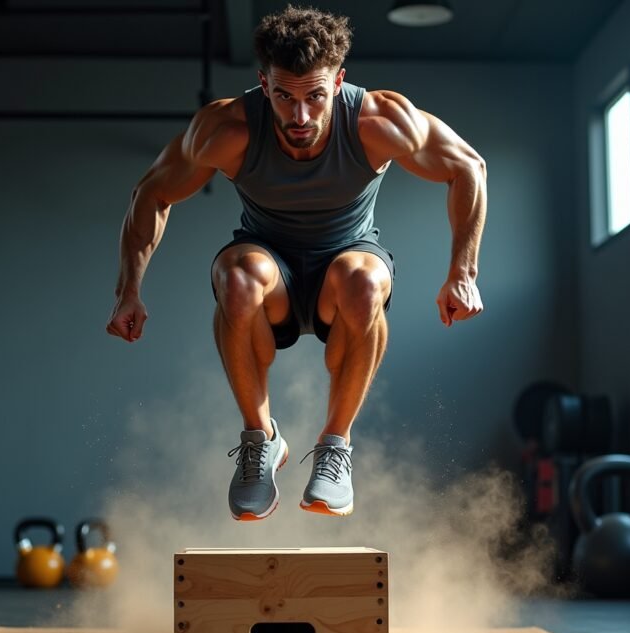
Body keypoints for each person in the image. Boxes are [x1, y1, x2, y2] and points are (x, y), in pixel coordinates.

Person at [106, 5, 486, 521]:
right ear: (264, 84)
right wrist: (128, 290)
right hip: (269, 269)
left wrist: (463, 273)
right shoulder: (227, 128)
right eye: (285, 96)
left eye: (315, 96)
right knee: (236, 278)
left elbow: (467, 167)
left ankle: (335, 446)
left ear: (339, 81)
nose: (300, 116)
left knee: (362, 281)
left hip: (347, 262)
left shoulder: (379, 121)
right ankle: (260, 438)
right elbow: (151, 194)